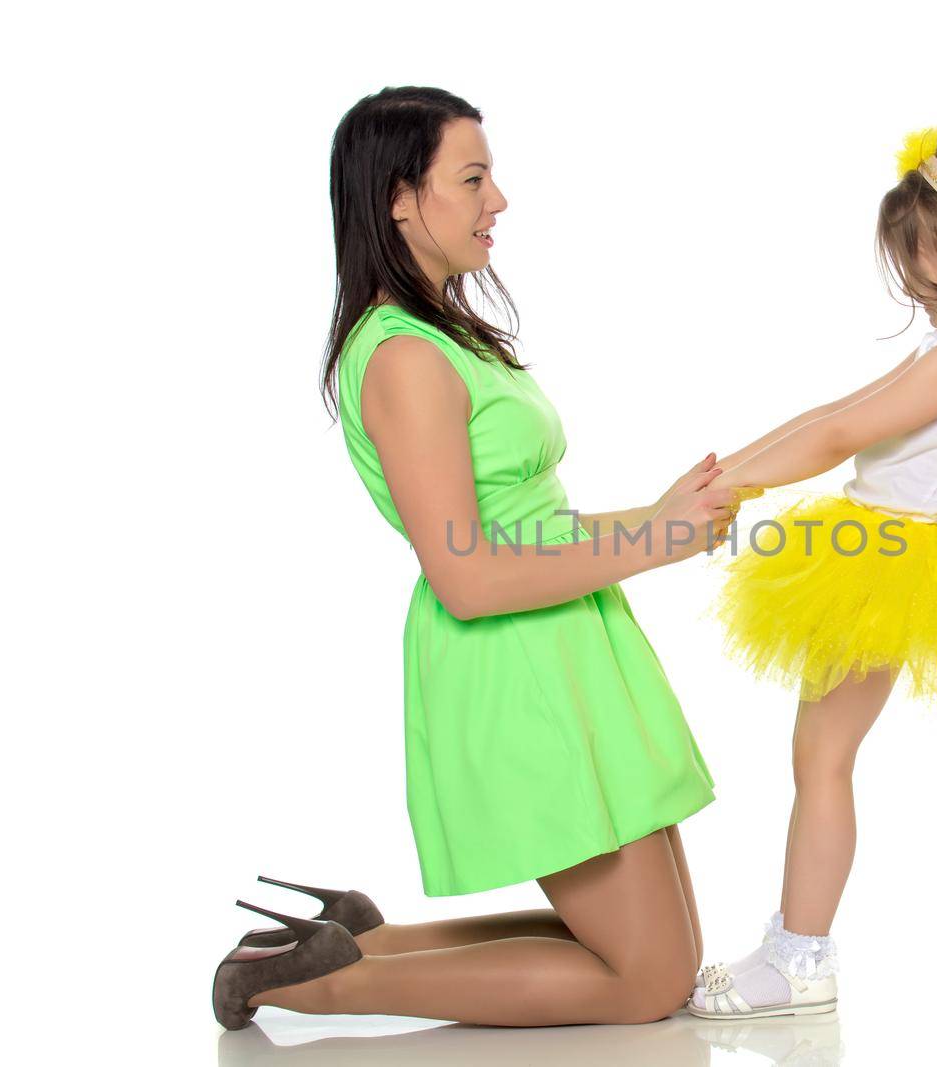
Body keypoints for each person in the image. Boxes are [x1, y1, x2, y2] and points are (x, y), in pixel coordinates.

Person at [211, 86, 745, 1030]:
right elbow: (467, 573)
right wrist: (653, 543)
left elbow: (526, 524)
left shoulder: (445, 335)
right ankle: (314, 981)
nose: (498, 199)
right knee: (648, 979)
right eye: (473, 177)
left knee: (664, 957)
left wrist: (660, 515)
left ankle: (356, 942)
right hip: (512, 659)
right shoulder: (403, 357)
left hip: (564, 643)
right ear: (399, 201)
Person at [686, 126, 937, 1019]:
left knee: (822, 758)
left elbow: (841, 436)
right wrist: (730, 475)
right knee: (821, 755)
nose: (918, 281)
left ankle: (799, 956)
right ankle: (795, 940)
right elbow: (839, 409)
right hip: (903, 557)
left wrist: (737, 486)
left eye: (928, 260)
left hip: (889, 561)